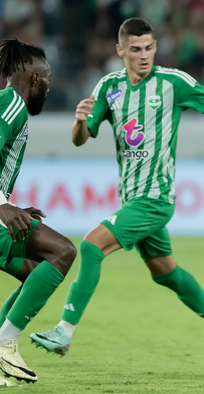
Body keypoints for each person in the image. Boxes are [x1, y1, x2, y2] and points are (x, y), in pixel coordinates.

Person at [30, 18, 204, 363]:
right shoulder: (108, 87)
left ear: (155, 47)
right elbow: (80, 139)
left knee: (90, 246)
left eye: (149, 48)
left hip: (157, 196)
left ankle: (64, 331)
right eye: (135, 49)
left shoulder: (173, 82)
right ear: (121, 51)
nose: (144, 55)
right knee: (166, 273)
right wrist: (78, 121)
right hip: (132, 196)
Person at [0, 37, 77, 385]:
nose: (49, 85)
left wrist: (9, 203)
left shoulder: (9, 107)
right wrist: (2, 204)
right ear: (34, 78)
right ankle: (4, 344)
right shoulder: (11, 105)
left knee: (35, 274)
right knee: (63, 251)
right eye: (47, 78)